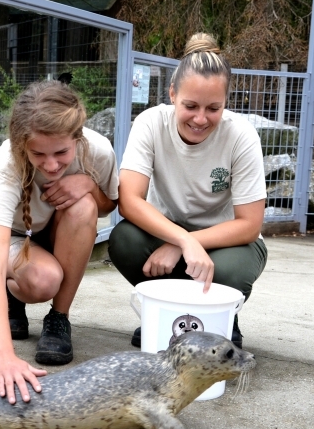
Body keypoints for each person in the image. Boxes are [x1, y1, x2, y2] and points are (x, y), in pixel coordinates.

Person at [108, 32, 268, 349]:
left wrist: (185, 244)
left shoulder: (242, 136)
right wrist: (180, 239)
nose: (200, 119)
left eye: (213, 108)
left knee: (231, 271)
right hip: (165, 231)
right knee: (124, 240)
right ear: (172, 94)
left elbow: (250, 224)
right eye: (190, 105)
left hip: (226, 241)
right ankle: (165, 315)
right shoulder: (150, 123)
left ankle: (220, 317)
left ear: (226, 103)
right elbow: (128, 200)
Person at [0, 80, 119, 404]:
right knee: (43, 280)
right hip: (12, 240)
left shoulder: (98, 150)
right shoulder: (4, 166)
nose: (52, 165)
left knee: (84, 207)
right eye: (38, 154)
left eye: (62, 153)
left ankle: (59, 319)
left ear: (78, 138)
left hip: (56, 235)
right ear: (20, 143)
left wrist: (85, 184)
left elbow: (109, 203)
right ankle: (14, 298)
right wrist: (4, 355)